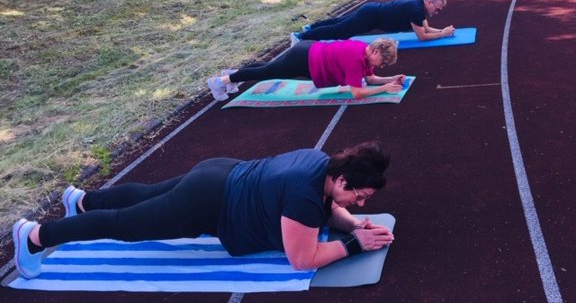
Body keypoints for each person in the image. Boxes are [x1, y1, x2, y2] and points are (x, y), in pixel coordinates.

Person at [13, 141, 395, 279]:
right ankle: (34, 236)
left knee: (146, 193)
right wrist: (354, 244)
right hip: (210, 200)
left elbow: (330, 208)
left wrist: (353, 223)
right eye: (359, 197)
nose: (359, 204)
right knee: (126, 225)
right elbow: (303, 257)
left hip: (219, 172)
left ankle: (79, 201)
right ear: (343, 180)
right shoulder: (305, 197)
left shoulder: (321, 162)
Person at [207, 38, 406, 101]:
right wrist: (385, 88)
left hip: (310, 50)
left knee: (268, 68)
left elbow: (370, 80)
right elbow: (357, 93)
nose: (381, 66)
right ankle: (219, 82)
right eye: (383, 62)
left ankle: (230, 75)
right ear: (376, 50)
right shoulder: (356, 59)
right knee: (266, 73)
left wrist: (391, 78)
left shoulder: (364, 51)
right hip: (304, 59)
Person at [291, 0, 454, 44]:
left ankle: (310, 28)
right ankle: (300, 37)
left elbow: (425, 28)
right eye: (437, 8)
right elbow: (422, 36)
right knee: (339, 30)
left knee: (340, 22)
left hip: (371, 10)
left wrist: (442, 30)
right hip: (370, 17)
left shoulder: (418, 4)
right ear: (429, 2)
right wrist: (443, 34)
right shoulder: (417, 9)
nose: (437, 12)